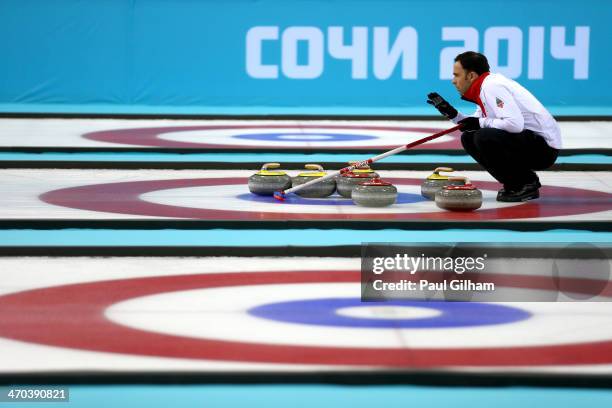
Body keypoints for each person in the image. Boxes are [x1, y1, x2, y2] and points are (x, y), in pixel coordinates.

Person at [427, 51, 561, 202]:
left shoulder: (492, 86)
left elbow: (514, 124)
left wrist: (479, 123)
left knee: (483, 137)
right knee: (469, 137)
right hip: (531, 142)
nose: (453, 81)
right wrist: (452, 114)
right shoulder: (483, 88)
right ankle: (516, 183)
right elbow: (475, 122)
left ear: (471, 76)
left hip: (544, 149)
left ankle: (526, 183)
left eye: (456, 75)